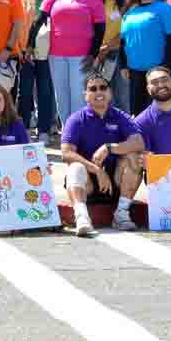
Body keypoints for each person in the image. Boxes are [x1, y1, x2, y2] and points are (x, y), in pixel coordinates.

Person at [60, 75, 143, 235]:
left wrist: (109, 148)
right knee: (75, 167)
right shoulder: (76, 119)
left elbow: (138, 142)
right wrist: (97, 170)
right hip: (88, 183)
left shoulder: (120, 116)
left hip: (116, 183)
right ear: (85, 94)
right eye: (93, 88)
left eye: (103, 87)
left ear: (110, 92)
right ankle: (81, 217)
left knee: (134, 157)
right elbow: (66, 153)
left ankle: (121, 213)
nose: (99, 91)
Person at [118, 0, 171, 135]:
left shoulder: (165, 9)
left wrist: (165, 68)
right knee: (139, 110)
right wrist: (123, 65)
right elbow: (123, 42)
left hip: (157, 70)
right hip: (135, 69)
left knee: (160, 110)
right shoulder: (130, 12)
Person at [42, 0, 106, 128]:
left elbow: (100, 29)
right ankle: (66, 130)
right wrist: (29, 46)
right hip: (56, 55)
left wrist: (93, 54)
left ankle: (78, 130)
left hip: (82, 56)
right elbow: (38, 20)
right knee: (61, 95)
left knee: (78, 95)